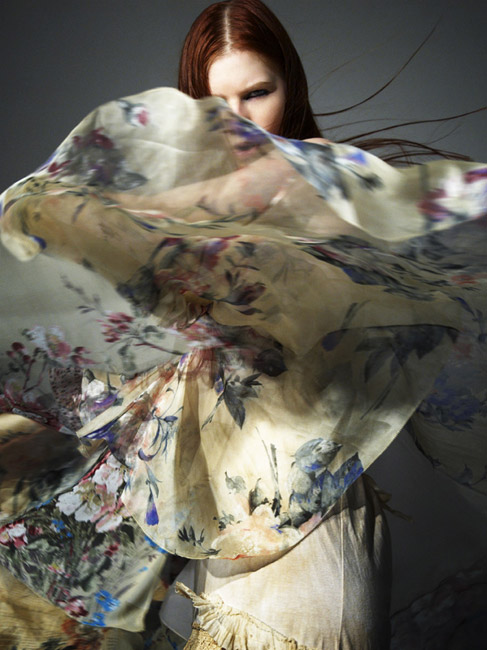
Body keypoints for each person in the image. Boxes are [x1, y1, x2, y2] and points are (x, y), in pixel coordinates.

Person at [0, 1, 485, 649]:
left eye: (257, 93)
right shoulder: (189, 223)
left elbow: (246, 204)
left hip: (311, 532)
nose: (238, 121)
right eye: (214, 103)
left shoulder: (314, 178)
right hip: (226, 537)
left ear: (291, 87)